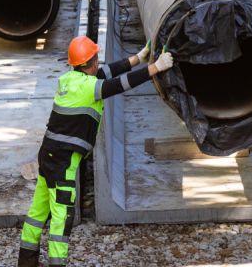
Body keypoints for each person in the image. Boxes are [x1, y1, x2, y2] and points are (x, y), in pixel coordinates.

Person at [18, 37, 173, 267]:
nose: (99, 63)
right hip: (63, 163)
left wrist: (139, 57)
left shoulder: (69, 80)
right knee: (61, 220)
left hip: (48, 155)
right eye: (96, 59)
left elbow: (110, 71)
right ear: (90, 62)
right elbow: (120, 84)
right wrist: (155, 68)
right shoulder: (91, 87)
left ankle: (26, 263)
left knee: (37, 213)